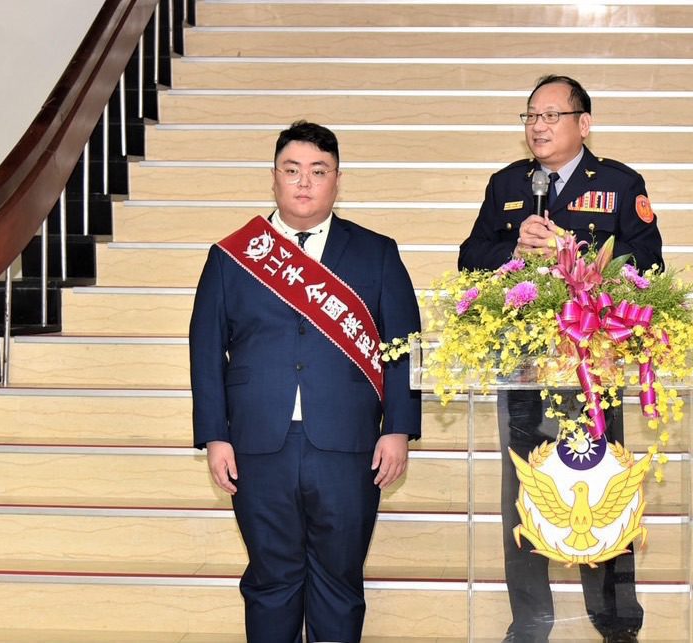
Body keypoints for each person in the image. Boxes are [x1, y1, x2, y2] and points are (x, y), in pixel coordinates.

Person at [189, 120, 422, 643]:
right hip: (256, 444)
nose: (304, 182)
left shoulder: (376, 252)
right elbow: (205, 351)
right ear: (273, 176)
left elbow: (403, 345)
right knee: (270, 579)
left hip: (348, 443)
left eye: (318, 171)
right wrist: (215, 435)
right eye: (292, 170)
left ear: (337, 180)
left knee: (339, 579)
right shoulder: (232, 255)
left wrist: (398, 428)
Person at [459, 75, 664, 643]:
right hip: (523, 364)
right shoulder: (507, 184)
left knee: (601, 482)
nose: (539, 126)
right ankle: (530, 622)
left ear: (584, 124)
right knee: (524, 490)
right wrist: (513, 248)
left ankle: (615, 622)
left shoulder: (620, 185)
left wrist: (574, 251)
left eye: (551, 115)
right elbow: (469, 258)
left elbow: (649, 264)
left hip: (592, 366)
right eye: (531, 116)